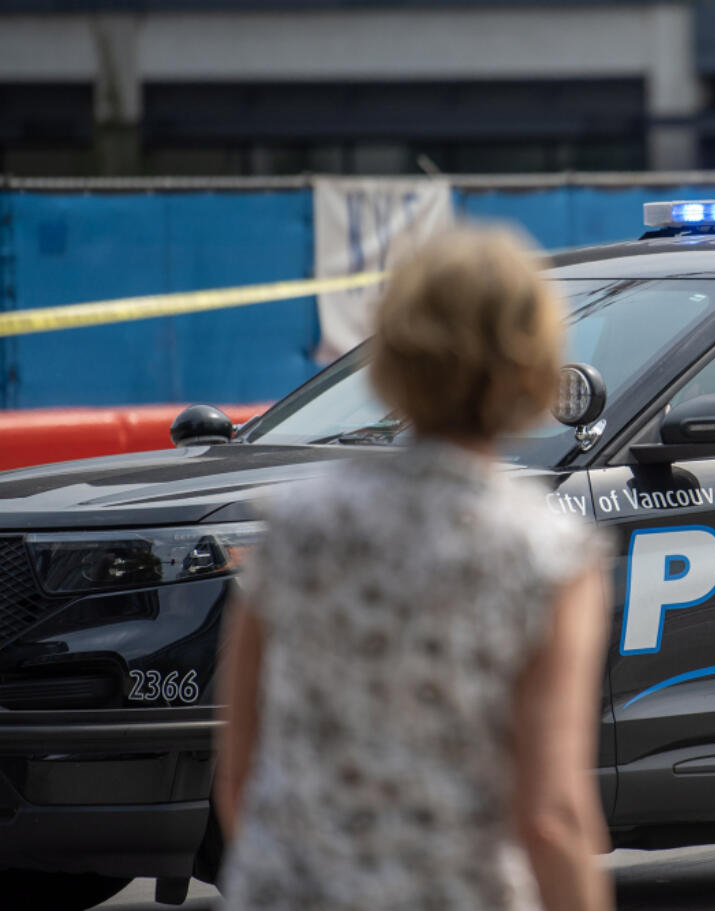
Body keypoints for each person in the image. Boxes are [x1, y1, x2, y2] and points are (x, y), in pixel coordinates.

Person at [214, 225, 613, 911]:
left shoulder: (296, 523)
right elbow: (550, 816)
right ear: (535, 364)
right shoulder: (549, 553)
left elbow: (240, 769)